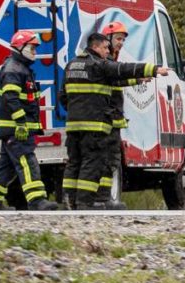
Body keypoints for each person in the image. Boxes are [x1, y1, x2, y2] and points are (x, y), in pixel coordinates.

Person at [62, 32, 169, 210]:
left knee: (74, 163)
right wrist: (154, 69)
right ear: (95, 47)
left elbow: (62, 96)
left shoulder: (71, 65)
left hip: (73, 126)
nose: (107, 52)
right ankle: (84, 203)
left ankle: (69, 201)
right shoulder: (98, 65)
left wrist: (77, 112)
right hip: (94, 127)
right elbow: (121, 69)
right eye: (105, 48)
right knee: (92, 163)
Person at [0, 31, 58, 211]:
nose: (34, 52)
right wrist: (21, 122)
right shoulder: (14, 69)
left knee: (6, 167)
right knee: (27, 162)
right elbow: (10, 98)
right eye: (31, 47)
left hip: (15, 129)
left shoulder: (19, 68)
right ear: (20, 47)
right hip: (17, 129)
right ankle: (37, 200)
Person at [100, 21, 139, 208]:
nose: (120, 43)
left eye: (122, 39)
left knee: (110, 159)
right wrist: (138, 77)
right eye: (117, 38)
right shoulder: (106, 62)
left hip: (110, 118)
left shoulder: (110, 60)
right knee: (110, 159)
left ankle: (104, 198)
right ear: (107, 39)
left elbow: (117, 80)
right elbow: (114, 80)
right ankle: (105, 199)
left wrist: (137, 79)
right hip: (107, 119)